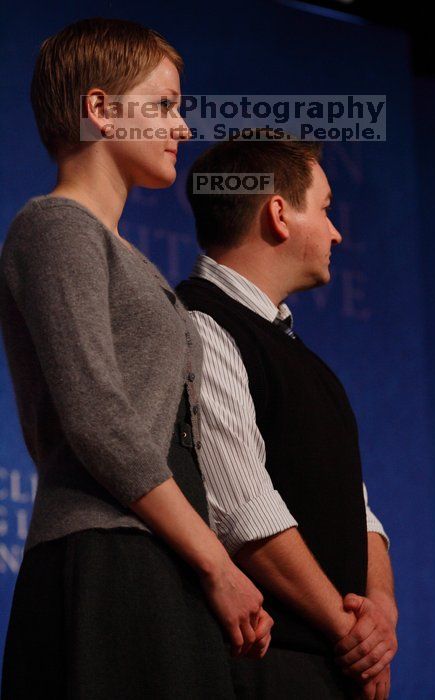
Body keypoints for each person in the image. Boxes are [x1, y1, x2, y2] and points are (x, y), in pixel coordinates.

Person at [0, 19, 274, 699]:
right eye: (163, 105)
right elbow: (95, 415)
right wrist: (217, 564)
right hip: (109, 558)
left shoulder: (126, 255)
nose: (181, 127)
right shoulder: (55, 225)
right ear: (98, 110)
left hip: (160, 551)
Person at [177, 134, 398, 699]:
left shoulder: (301, 357)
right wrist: (351, 632)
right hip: (267, 669)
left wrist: (382, 614)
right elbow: (245, 513)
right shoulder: (202, 325)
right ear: (279, 214)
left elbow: (359, 508)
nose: (336, 231)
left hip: (332, 664)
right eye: (325, 209)